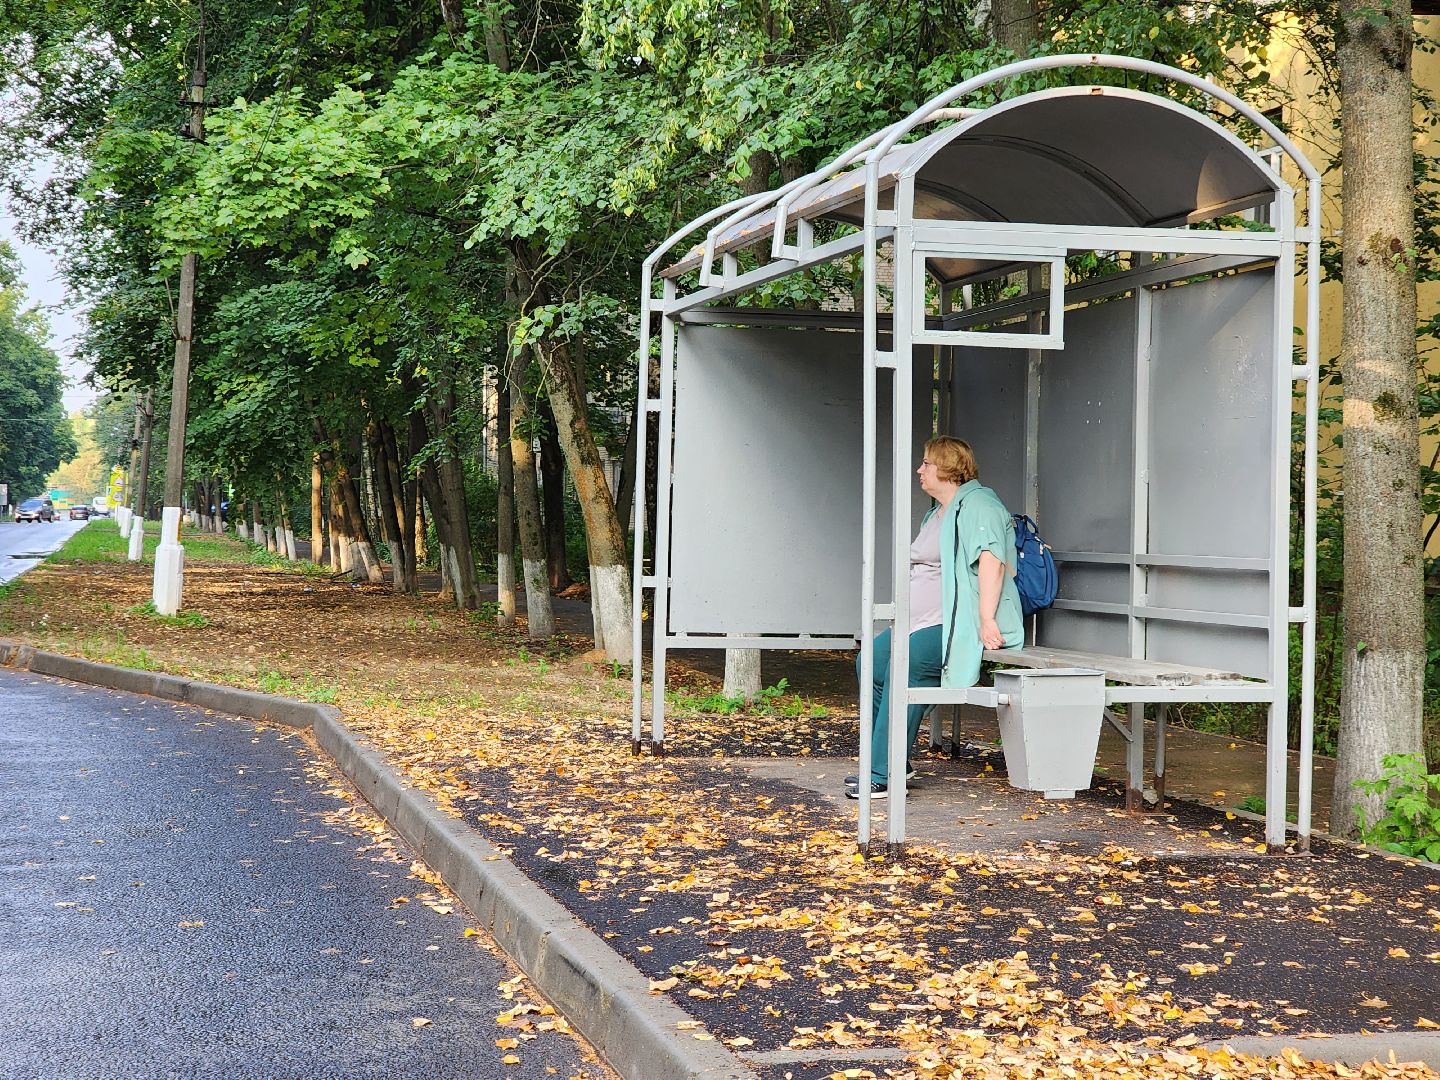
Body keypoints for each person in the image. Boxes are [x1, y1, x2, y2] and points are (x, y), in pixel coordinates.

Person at [847, 436, 1025, 800]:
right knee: (872, 663)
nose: (920, 470)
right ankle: (894, 760)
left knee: (906, 667)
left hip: (957, 624)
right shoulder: (937, 513)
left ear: (948, 467)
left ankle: (884, 772)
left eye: (926, 463)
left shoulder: (980, 505)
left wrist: (987, 619)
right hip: (918, 621)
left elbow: (992, 562)